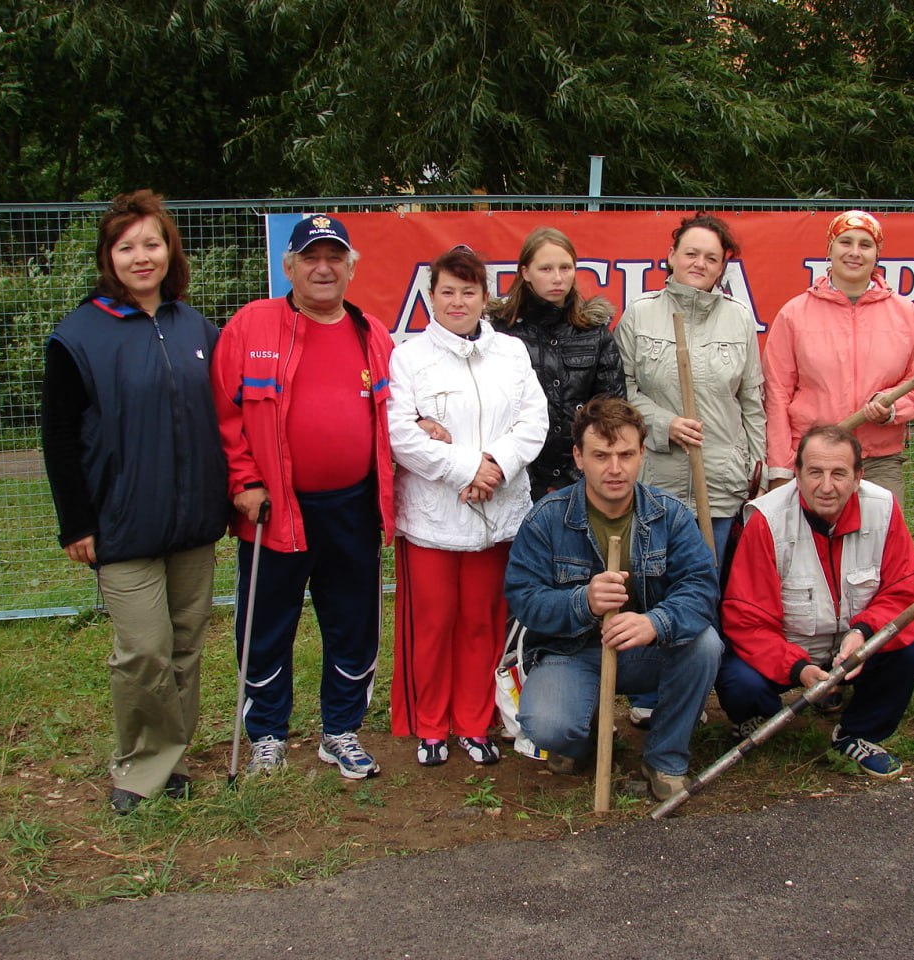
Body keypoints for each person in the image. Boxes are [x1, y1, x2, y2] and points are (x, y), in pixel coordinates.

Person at [41, 189, 229, 814]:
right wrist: (77, 522)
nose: (141, 257)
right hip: (120, 525)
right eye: (127, 247)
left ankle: (169, 758)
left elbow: (226, 417)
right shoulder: (79, 335)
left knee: (185, 644)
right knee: (143, 650)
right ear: (109, 257)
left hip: (194, 521)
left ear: (169, 250)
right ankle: (141, 769)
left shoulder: (195, 327)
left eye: (152, 244)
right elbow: (60, 438)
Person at [211, 214, 395, 778]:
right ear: (287, 266)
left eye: (334, 257)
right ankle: (267, 732)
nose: (322, 267)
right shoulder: (250, 326)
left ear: (350, 268)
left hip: (353, 509)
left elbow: (400, 414)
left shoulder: (375, 334)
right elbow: (224, 414)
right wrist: (244, 482)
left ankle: (340, 730)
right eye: (310, 257)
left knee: (353, 623)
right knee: (266, 625)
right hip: (275, 512)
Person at [505, 397, 723, 801]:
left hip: (645, 651)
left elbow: (701, 588)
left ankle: (664, 759)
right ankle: (582, 737)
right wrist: (582, 601)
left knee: (705, 645)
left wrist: (654, 622)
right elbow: (524, 598)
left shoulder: (670, 515)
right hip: (570, 654)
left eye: (626, 454)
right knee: (548, 726)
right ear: (579, 456)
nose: (615, 468)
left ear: (643, 453)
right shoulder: (546, 519)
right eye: (601, 455)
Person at [387, 245, 547, 766]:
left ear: (485, 297)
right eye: (447, 292)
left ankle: (473, 723)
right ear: (430, 297)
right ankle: (430, 725)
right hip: (435, 517)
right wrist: (464, 468)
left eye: (469, 292)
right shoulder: (408, 356)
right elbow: (401, 434)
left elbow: (534, 422)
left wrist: (495, 466)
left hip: (497, 517)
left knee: (482, 622)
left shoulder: (512, 353)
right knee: (432, 624)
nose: (458, 302)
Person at [718, 425, 914, 779]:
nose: (826, 486)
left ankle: (858, 733)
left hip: (854, 651)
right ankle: (763, 715)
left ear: (858, 476)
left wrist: (863, 633)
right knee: (736, 679)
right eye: (814, 472)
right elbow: (746, 618)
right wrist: (798, 668)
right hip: (790, 650)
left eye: (839, 474)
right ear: (797, 474)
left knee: (911, 647)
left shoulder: (884, 509)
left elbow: (907, 591)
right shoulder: (766, 520)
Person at [613, 214, 766, 555]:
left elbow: (753, 402)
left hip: (721, 485)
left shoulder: (739, 318)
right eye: (691, 253)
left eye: (711, 258)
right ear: (672, 255)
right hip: (656, 479)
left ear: (721, 267)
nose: (700, 263)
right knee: (655, 584)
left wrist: (759, 473)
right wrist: (663, 423)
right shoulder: (640, 313)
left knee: (711, 586)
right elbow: (620, 390)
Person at [762, 210, 914, 509]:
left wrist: (891, 410)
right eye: (845, 242)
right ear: (830, 249)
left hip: (879, 461)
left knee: (881, 549)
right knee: (810, 551)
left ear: (877, 254)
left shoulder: (906, 314)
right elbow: (776, 394)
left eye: (865, 245)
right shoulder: (794, 313)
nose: (855, 252)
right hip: (815, 460)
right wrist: (781, 467)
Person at [488, 226, 624, 500]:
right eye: (546, 269)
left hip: (578, 481)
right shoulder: (500, 331)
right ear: (525, 273)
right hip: (515, 479)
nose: (558, 278)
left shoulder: (594, 332)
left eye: (566, 267)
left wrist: (571, 477)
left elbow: (612, 412)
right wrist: (523, 476)